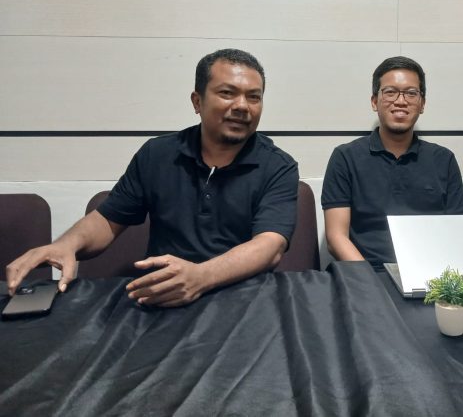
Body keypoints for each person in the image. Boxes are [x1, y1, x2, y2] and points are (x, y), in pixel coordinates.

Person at [6, 48, 299, 307]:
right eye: (227, 93)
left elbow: (269, 245)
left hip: (245, 301)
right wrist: (65, 245)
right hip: (162, 298)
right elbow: (107, 220)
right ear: (197, 101)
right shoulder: (157, 154)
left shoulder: (278, 166)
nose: (242, 106)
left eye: (254, 97)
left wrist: (200, 276)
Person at [322, 56, 463, 270]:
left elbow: (456, 232)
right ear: (374, 101)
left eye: (411, 93)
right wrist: (369, 280)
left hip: (430, 274)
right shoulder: (345, 157)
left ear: (422, 104)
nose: (401, 101)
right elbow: (336, 238)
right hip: (366, 274)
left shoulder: (444, 160)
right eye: (390, 92)